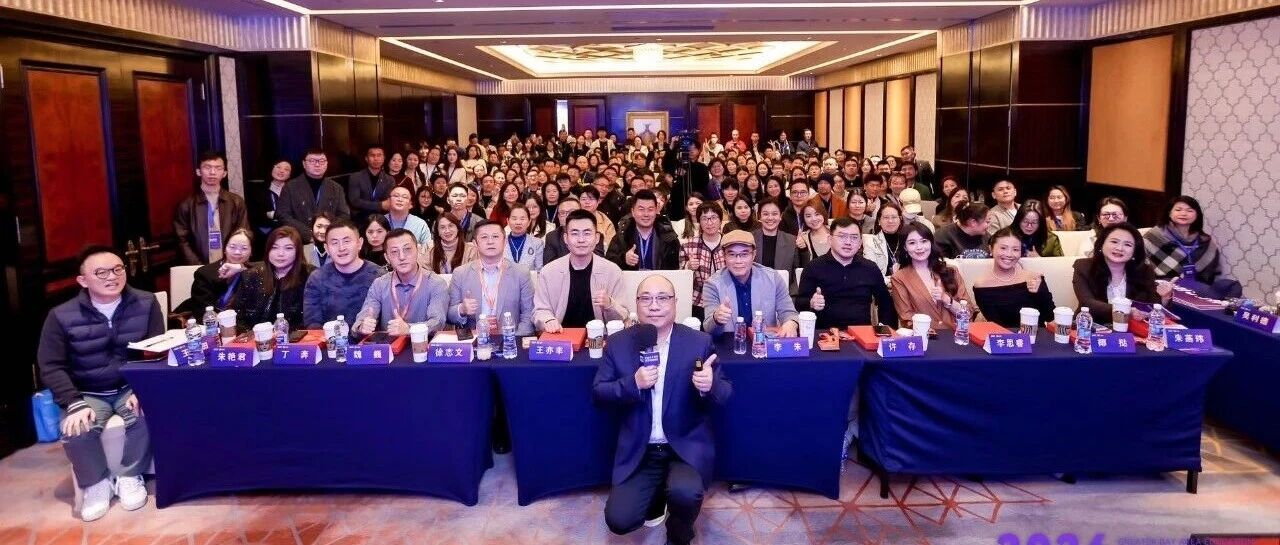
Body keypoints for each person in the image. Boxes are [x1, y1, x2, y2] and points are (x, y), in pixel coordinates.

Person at [596, 274, 731, 545]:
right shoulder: (619, 343)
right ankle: (656, 495)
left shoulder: (698, 342)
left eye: (662, 298)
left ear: (675, 303)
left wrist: (709, 385)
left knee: (686, 493)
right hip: (641, 450)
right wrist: (632, 383)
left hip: (683, 446)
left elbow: (726, 393)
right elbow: (599, 392)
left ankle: (679, 535)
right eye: (645, 298)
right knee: (619, 519)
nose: (654, 305)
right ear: (636, 304)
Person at [38, 246, 165, 521]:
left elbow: (156, 350)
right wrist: (73, 402)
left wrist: (143, 387)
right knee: (76, 430)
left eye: (118, 269)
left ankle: (130, 475)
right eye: (101, 272)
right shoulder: (61, 315)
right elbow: (51, 365)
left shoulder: (146, 302)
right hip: (87, 392)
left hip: (130, 385)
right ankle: (96, 483)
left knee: (149, 413)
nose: (112, 276)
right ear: (83, 280)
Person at [534, 209, 629, 331]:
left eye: (587, 233)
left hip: (600, 338)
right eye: (574, 233)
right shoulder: (549, 272)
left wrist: (609, 304)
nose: (581, 240)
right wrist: (548, 320)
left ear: (597, 238)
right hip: (560, 337)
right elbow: (540, 311)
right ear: (565, 238)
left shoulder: (612, 271)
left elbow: (623, 316)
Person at [796, 218, 897, 328]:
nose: (848, 242)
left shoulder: (870, 268)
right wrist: (811, 302)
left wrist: (882, 328)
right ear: (830, 240)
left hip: (861, 332)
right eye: (842, 236)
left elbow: (885, 303)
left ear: (860, 243)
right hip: (824, 333)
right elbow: (799, 303)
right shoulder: (814, 267)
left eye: (854, 237)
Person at [353, 228, 449, 336]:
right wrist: (363, 326)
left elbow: (437, 322)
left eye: (407, 249)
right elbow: (364, 317)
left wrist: (409, 329)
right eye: (394, 252)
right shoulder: (379, 284)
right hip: (389, 345)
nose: (402, 257)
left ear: (417, 250)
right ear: (387, 258)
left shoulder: (436, 283)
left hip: (425, 344)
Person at [700, 230, 799, 335]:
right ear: (724, 256)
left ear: (754, 254)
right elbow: (708, 329)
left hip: (764, 341)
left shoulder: (773, 278)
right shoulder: (712, 284)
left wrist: (790, 323)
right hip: (729, 342)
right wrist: (716, 319)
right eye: (732, 254)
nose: (738, 261)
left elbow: (789, 312)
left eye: (744, 254)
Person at [447, 221, 537, 335]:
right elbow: (449, 315)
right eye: (484, 237)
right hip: (474, 339)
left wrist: (514, 340)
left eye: (495, 236)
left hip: (510, 339)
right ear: (475, 243)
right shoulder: (460, 273)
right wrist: (462, 309)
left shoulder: (521, 273)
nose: (490, 241)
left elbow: (528, 314)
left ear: (505, 241)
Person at [1143, 195, 1241, 299]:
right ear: (1169, 213)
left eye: (1189, 211)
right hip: (1166, 283)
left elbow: (1214, 272)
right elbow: (1141, 263)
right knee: (1215, 295)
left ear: (1197, 215)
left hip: (1198, 283)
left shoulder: (1204, 240)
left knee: (1233, 286)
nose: (1183, 213)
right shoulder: (1155, 236)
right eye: (1178, 210)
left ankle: (1221, 302)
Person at [1073, 223, 1172, 323]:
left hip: (1131, 328)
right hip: (1091, 325)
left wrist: (1164, 297)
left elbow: (1151, 309)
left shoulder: (1144, 271)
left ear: (1135, 251)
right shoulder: (1083, 267)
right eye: (1114, 242)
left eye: (1127, 244)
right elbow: (1088, 303)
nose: (1119, 248)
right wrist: (1124, 311)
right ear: (1102, 243)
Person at [302, 219, 383, 329]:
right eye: (335, 243)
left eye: (346, 241)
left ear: (359, 243)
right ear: (327, 248)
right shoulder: (317, 278)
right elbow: (312, 323)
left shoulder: (379, 276)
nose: (341, 248)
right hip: (329, 338)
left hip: (370, 339)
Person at [173, 151, 250, 264]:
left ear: (224, 173)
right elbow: (182, 241)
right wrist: (199, 268)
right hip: (198, 266)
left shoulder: (236, 202)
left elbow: (243, 234)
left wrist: (233, 262)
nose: (212, 172)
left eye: (218, 168)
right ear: (198, 171)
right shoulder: (186, 205)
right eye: (207, 167)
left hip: (230, 264)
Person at [230, 226, 313, 329]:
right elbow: (237, 315)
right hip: (256, 336)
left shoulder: (310, 276)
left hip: (299, 337)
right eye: (274, 247)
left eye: (288, 248)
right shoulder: (251, 276)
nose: (280, 254)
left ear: (298, 251)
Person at [972, 228, 1056, 328]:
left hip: (1035, 334)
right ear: (991, 249)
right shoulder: (982, 285)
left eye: (1015, 249)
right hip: (1002, 336)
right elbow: (995, 323)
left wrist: (1039, 292)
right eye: (1003, 248)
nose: (1009, 254)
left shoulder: (1034, 278)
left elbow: (1050, 317)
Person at [890, 223, 969, 329]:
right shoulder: (899, 278)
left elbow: (968, 313)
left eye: (924, 241)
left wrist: (946, 299)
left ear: (931, 243)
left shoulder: (951, 271)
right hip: (924, 335)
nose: (919, 247)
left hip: (957, 333)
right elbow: (907, 318)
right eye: (912, 243)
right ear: (905, 247)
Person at [276, 148, 351, 244]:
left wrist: (327, 231)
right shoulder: (290, 187)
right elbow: (283, 215)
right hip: (299, 240)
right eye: (312, 161)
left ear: (327, 164)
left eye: (322, 161)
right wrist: (308, 234)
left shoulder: (336, 188)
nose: (317, 164)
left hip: (330, 240)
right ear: (304, 164)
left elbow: (344, 215)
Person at [175, 228, 254, 316]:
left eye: (244, 248)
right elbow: (202, 313)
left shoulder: (255, 271)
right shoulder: (204, 274)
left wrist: (241, 268)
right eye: (232, 247)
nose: (237, 252)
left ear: (251, 252)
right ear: (225, 249)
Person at [607, 190, 680, 271]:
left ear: (656, 211)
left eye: (650, 209)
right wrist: (624, 259)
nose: (646, 214)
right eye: (641, 209)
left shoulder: (669, 237)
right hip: (631, 279)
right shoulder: (622, 236)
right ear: (633, 212)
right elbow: (608, 263)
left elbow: (675, 269)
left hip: (659, 279)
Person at [679, 202, 727, 317]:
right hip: (698, 301)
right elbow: (681, 278)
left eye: (713, 218)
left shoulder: (729, 243)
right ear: (699, 222)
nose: (709, 223)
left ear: (721, 220)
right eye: (704, 218)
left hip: (726, 298)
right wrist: (688, 267)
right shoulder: (688, 245)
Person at [245, 159, 291, 256]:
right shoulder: (258, 191)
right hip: (264, 234)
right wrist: (266, 216)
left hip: (288, 233)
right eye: (278, 167)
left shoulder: (293, 191)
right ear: (272, 169)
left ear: (290, 175)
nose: (281, 171)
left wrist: (275, 215)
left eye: (286, 169)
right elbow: (253, 215)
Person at [752, 198, 807, 272]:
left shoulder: (791, 240)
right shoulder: (750, 238)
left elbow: (797, 271)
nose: (770, 218)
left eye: (774, 214)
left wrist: (803, 249)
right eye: (765, 214)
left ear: (781, 216)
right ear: (760, 216)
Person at [347, 145, 395, 224]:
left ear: (384, 158)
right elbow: (355, 201)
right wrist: (379, 205)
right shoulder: (356, 177)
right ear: (366, 158)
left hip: (382, 219)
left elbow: (386, 203)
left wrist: (370, 204)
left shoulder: (390, 180)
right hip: (360, 218)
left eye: (379, 155)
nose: (376, 158)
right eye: (372, 155)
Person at [863, 202, 908, 276]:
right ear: (879, 220)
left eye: (894, 217)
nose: (890, 221)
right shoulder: (870, 242)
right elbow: (871, 273)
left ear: (900, 219)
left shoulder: (908, 240)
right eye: (886, 217)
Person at [503, 205, 544, 270]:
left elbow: (539, 270)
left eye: (522, 219)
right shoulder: (500, 242)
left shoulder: (537, 243)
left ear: (529, 222)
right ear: (508, 221)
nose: (518, 222)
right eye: (514, 219)